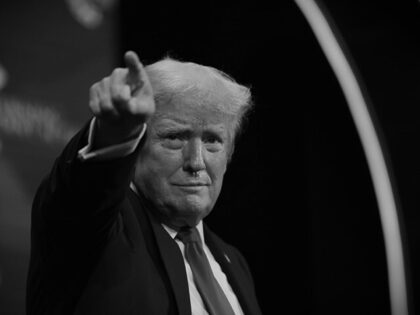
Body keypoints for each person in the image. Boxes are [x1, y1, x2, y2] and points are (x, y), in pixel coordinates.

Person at [26, 51, 262, 315]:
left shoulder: (234, 262)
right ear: (137, 146)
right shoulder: (98, 232)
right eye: (175, 137)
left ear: (229, 155)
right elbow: (82, 194)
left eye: (212, 141)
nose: (196, 162)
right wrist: (113, 136)